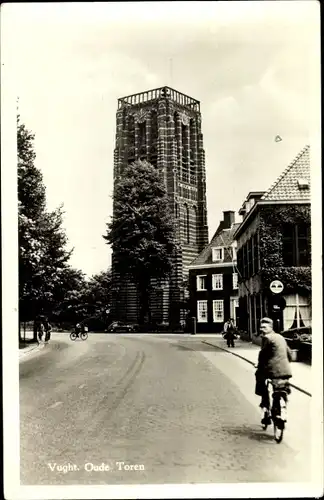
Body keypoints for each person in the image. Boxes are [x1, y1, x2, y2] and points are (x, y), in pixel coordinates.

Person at [255, 317, 292, 426]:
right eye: (261, 327)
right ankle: (283, 407)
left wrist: (259, 366)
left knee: (260, 377)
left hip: (273, 371)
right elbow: (289, 354)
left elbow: (263, 355)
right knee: (282, 388)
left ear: (271, 328)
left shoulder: (267, 338)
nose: (262, 329)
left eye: (264, 327)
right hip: (286, 370)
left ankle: (265, 406)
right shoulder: (281, 337)